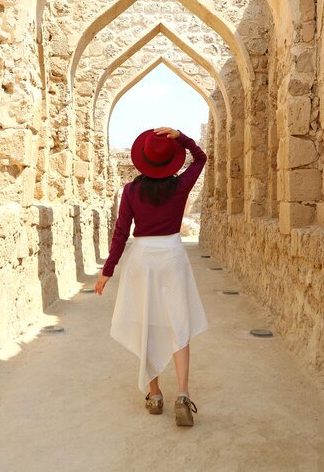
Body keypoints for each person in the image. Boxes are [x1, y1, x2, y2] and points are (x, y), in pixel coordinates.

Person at [95, 126, 208, 427]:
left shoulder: (131, 191)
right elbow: (200, 158)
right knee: (179, 323)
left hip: (142, 260)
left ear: (141, 159)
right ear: (171, 160)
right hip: (171, 256)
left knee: (148, 323)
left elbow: (121, 233)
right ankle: (182, 394)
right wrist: (181, 137)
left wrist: (108, 271)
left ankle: (155, 395)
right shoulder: (181, 186)